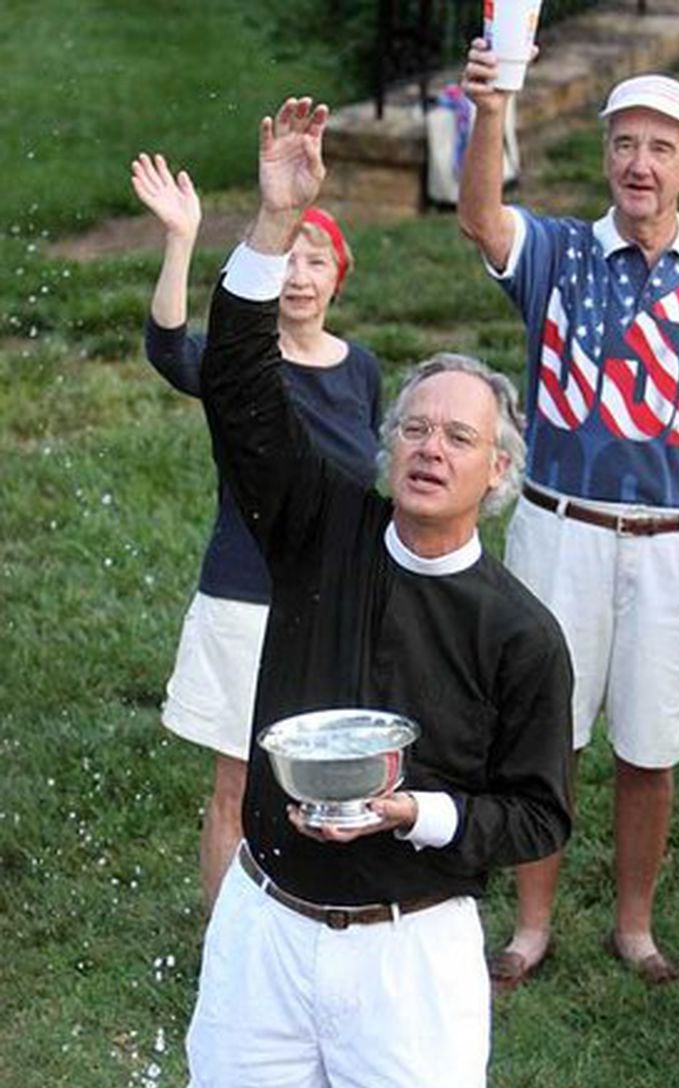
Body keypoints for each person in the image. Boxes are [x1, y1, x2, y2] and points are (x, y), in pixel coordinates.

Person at [182, 95, 574, 1088]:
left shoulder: (519, 630)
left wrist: (418, 812)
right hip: (265, 924)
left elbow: (536, 809)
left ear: (496, 472)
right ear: (387, 444)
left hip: (411, 946)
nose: (429, 447)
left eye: (457, 437)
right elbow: (234, 384)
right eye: (413, 428)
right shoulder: (319, 527)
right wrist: (273, 223)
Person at [458, 52, 679, 989]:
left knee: (649, 744)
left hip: (677, 544)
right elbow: (481, 218)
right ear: (605, 158)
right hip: (559, 528)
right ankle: (530, 927)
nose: (640, 163)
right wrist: (492, 109)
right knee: (547, 735)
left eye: (660, 147)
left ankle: (635, 929)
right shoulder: (560, 253)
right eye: (623, 145)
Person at [131, 152, 382, 910]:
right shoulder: (242, 366)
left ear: (340, 275)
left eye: (318, 259)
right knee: (239, 779)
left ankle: (304, 913)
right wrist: (182, 239)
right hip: (244, 599)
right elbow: (169, 348)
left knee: (320, 774)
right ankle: (224, 944)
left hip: (329, 601)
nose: (301, 274)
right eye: (289, 258)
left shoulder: (362, 369)